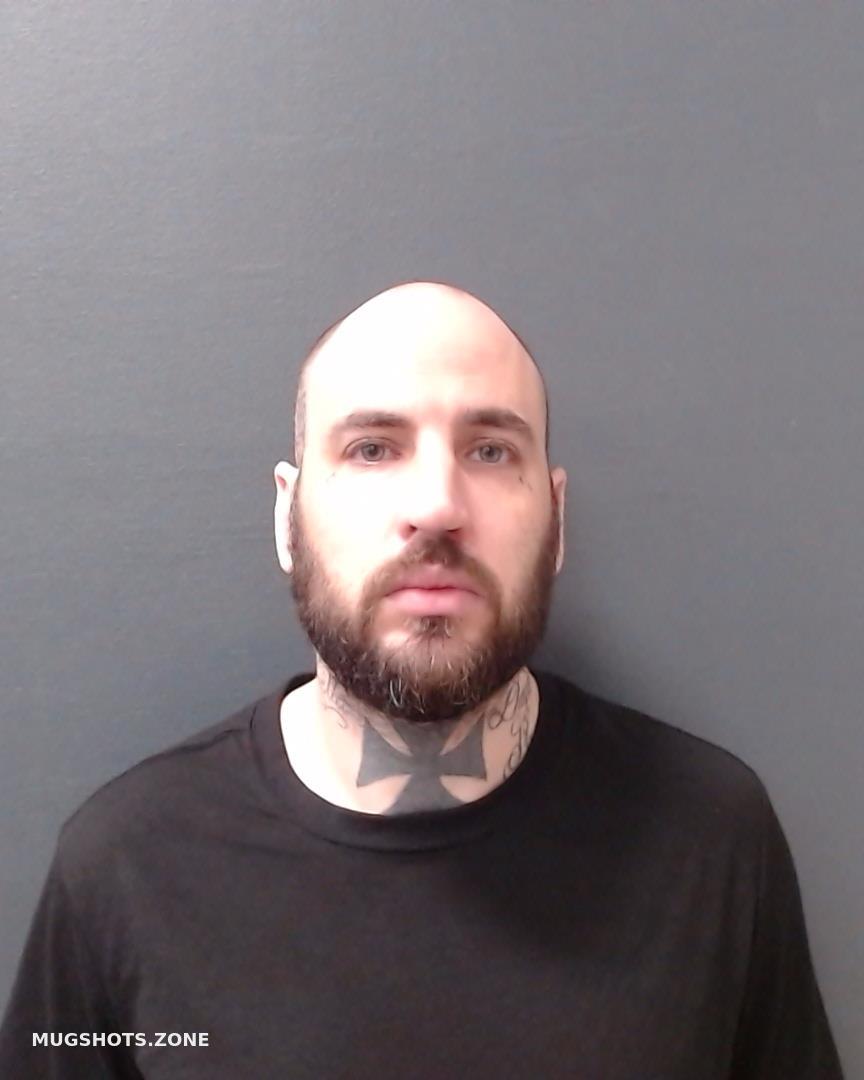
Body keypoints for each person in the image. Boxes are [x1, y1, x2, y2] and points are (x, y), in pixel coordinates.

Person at [0, 281, 843, 1078]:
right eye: (372, 448)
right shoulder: (124, 867)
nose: (437, 505)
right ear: (288, 517)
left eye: (489, 450)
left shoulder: (709, 836)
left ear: (556, 522)